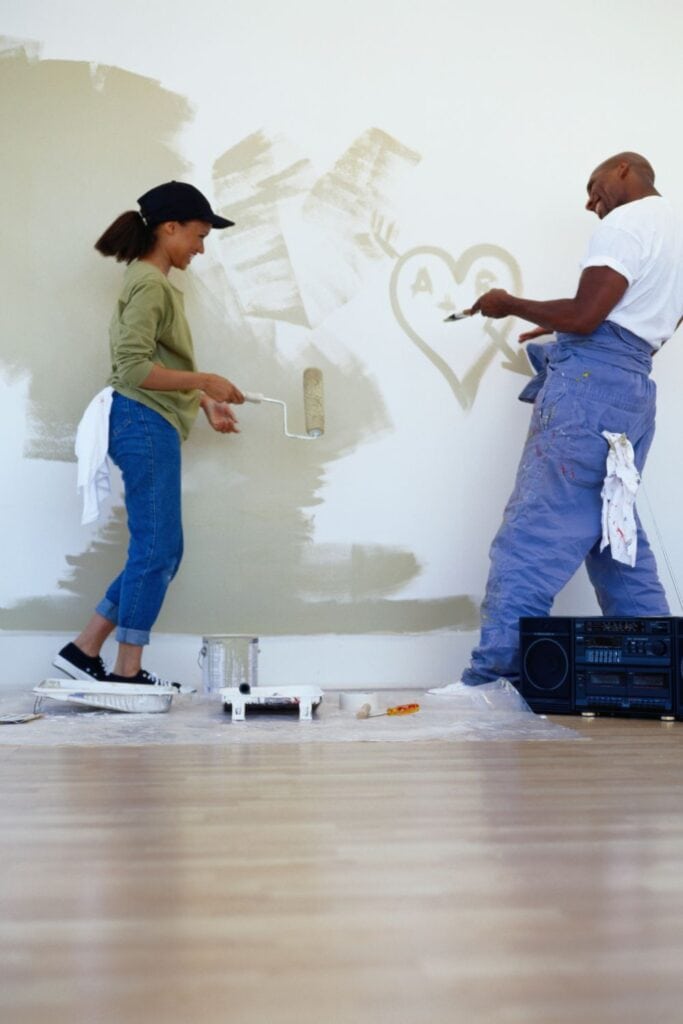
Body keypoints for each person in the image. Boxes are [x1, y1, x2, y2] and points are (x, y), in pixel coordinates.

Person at [454, 152, 683, 689]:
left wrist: (509, 302)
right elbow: (636, 320)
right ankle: (660, 677)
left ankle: (493, 682)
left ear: (625, 169)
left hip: (589, 391)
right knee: (615, 538)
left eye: (595, 184)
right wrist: (572, 334)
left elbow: (587, 314)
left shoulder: (628, 223)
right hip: (633, 389)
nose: (590, 201)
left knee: (531, 536)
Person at [53, 181, 244, 692]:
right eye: (199, 236)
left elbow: (153, 363)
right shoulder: (151, 284)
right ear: (169, 227)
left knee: (162, 549)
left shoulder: (151, 281)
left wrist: (204, 401)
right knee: (157, 549)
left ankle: (84, 649)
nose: (201, 248)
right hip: (140, 419)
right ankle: (125, 672)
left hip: (148, 418)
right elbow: (133, 369)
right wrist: (204, 380)